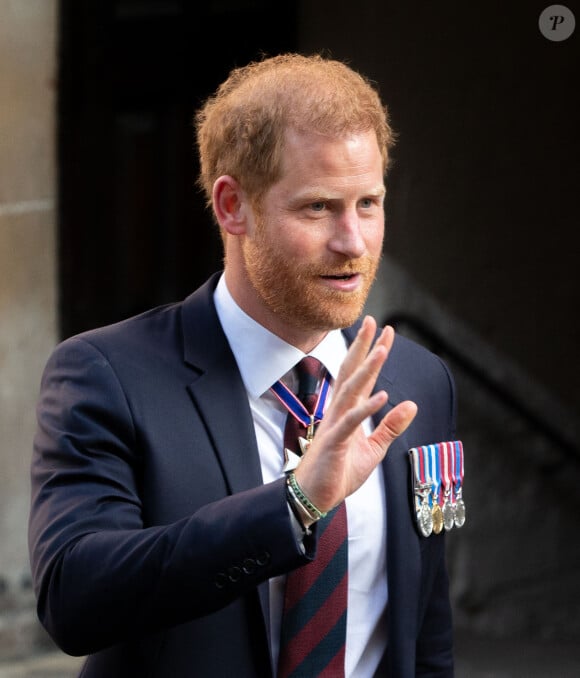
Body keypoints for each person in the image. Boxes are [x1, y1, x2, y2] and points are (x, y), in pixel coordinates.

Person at [29, 53, 456, 677]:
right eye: (318, 208)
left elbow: (426, 632)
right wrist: (294, 505)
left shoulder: (417, 381)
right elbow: (74, 600)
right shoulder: (107, 376)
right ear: (232, 207)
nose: (353, 242)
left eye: (368, 203)